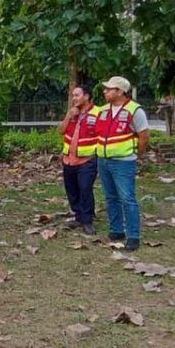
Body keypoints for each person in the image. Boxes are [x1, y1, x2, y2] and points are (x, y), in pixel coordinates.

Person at [94, 76, 150, 251]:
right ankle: (116, 230)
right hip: (103, 160)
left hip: (123, 162)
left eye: (109, 89)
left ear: (120, 92)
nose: (105, 91)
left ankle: (133, 236)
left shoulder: (135, 110)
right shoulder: (103, 111)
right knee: (111, 197)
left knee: (127, 199)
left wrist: (137, 154)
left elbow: (144, 135)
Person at [59, 85, 102, 235]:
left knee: (85, 189)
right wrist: (68, 116)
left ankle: (87, 220)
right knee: (72, 190)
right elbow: (61, 131)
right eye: (73, 95)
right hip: (68, 160)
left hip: (87, 160)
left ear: (87, 96)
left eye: (77, 95)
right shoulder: (72, 113)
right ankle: (78, 216)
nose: (74, 98)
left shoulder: (98, 113)